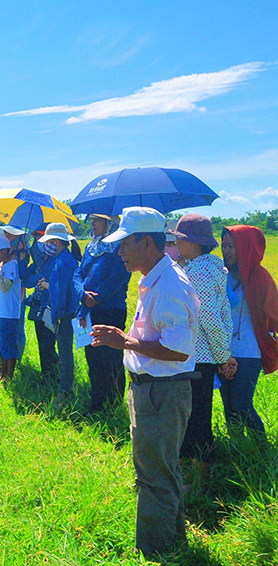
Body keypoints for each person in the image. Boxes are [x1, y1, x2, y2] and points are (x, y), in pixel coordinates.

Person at [90, 207, 199, 558]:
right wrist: (127, 340)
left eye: (125, 244)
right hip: (151, 390)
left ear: (148, 243)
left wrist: (125, 342)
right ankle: (173, 543)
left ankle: (155, 553)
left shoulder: (168, 285)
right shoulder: (153, 277)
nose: (120, 251)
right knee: (159, 472)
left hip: (162, 393)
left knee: (154, 477)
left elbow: (178, 351)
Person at [170, 214, 232, 468]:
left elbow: (208, 317)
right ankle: (191, 474)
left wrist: (223, 358)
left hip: (200, 358)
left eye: (179, 240)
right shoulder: (205, 267)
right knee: (194, 415)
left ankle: (201, 479)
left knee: (196, 418)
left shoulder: (200, 272)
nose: (176, 245)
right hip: (202, 357)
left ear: (192, 243)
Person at [219, 225, 278, 441]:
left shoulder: (261, 278)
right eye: (224, 245)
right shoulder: (222, 275)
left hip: (249, 352)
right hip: (223, 351)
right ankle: (236, 448)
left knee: (241, 403)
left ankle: (261, 448)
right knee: (228, 405)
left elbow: (275, 313)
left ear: (247, 248)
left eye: (232, 246)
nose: (226, 251)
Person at [74, 214, 132, 414]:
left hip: (110, 310)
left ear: (109, 224)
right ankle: (97, 403)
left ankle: (114, 404)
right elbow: (78, 273)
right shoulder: (91, 247)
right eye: (92, 220)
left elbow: (119, 277)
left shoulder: (119, 247)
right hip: (89, 310)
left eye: (97, 220)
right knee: (93, 358)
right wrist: (82, 294)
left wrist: (96, 297)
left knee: (111, 358)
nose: (93, 224)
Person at [35, 224, 80, 410]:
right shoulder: (65, 258)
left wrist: (57, 317)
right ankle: (66, 386)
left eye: (50, 241)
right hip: (66, 312)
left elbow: (60, 291)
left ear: (55, 241)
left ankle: (65, 390)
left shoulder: (63, 262)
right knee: (64, 351)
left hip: (64, 314)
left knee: (65, 352)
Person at [22, 224, 59, 383]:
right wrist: (23, 257)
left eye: (40, 236)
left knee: (48, 343)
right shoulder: (39, 259)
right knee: (42, 342)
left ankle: (54, 375)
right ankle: (47, 375)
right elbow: (26, 279)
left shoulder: (54, 259)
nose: (38, 240)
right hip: (38, 304)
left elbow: (44, 278)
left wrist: (38, 279)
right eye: (36, 237)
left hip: (50, 306)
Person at [0, 236, 23, 380]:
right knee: (1, 343)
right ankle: (3, 373)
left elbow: (5, 286)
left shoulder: (13, 265)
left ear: (5, 250)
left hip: (9, 312)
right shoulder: (1, 265)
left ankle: (9, 375)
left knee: (9, 344)